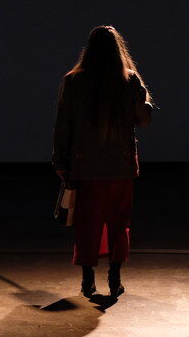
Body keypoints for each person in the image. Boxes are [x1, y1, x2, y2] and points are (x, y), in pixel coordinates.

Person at [52, 25, 154, 299]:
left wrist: (60, 161)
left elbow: (63, 125)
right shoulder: (128, 79)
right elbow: (144, 119)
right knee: (118, 222)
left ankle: (87, 281)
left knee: (88, 223)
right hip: (120, 166)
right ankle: (115, 278)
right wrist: (141, 95)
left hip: (86, 166)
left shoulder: (73, 81)